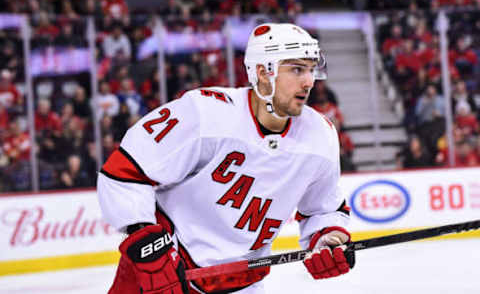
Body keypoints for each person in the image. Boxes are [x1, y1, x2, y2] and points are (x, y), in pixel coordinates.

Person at [97, 23, 354, 294]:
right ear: (262, 73)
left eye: (311, 69)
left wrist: (329, 239)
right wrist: (147, 249)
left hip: (242, 285)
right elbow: (125, 171)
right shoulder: (205, 113)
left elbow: (324, 209)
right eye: (297, 69)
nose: (309, 81)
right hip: (164, 275)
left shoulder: (320, 136)